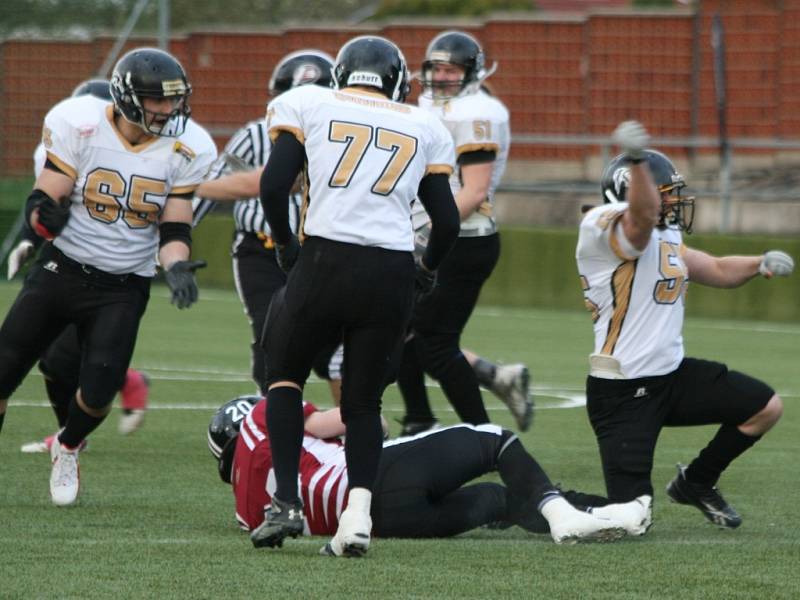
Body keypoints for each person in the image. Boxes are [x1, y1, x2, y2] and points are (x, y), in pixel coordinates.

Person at [252, 35, 461, 557]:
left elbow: (274, 186)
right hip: (389, 270)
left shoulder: (309, 101)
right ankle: (358, 515)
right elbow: (449, 222)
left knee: (283, 376)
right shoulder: (425, 123)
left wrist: (285, 247)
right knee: (364, 402)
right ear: (396, 81)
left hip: (323, 259)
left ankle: (287, 503)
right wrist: (426, 270)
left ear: (342, 74)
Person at [0, 47, 217, 506]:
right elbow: (46, 196)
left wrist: (176, 264)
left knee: (98, 393)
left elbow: (175, 226)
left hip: (123, 283)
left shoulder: (188, 147)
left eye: (173, 100)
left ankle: (68, 445)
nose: (167, 110)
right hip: (63, 268)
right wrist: (44, 220)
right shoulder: (79, 124)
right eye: (157, 100)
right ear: (126, 97)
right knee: (4, 369)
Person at [574, 120, 793, 529]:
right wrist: (638, 160)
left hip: (670, 377)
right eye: (667, 196)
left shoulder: (664, 232)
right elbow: (638, 221)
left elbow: (713, 268)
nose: (674, 204)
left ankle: (697, 481)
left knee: (764, 407)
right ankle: (538, 498)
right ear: (633, 189)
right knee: (631, 518)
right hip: (623, 390)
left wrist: (757, 262)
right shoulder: (602, 226)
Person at [208, 396, 646, 545]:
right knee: (495, 441)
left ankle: (606, 514)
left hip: (390, 524)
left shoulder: (246, 514)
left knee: (499, 501)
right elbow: (351, 420)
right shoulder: (262, 415)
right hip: (370, 480)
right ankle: (572, 514)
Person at [397, 30, 533, 435]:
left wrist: (428, 235)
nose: (440, 77)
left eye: (450, 69)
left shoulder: (477, 111)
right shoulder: (429, 105)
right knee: (400, 329)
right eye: (436, 68)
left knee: (435, 344)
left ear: (470, 72)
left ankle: (486, 437)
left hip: (462, 239)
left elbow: (473, 191)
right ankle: (419, 420)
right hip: (431, 233)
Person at [193, 49, 344, 403]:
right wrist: (175, 237)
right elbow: (213, 187)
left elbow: (257, 184)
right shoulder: (255, 135)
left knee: (333, 348)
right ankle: (276, 425)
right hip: (260, 250)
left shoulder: (340, 137)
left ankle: (347, 428)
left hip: (319, 253)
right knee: (271, 333)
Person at [9, 79, 152, 449]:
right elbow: (47, 201)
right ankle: (72, 434)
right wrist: (31, 235)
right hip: (64, 264)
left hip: (111, 276)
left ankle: (80, 430)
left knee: (69, 356)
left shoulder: (151, 156)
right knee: (53, 358)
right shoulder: (66, 144)